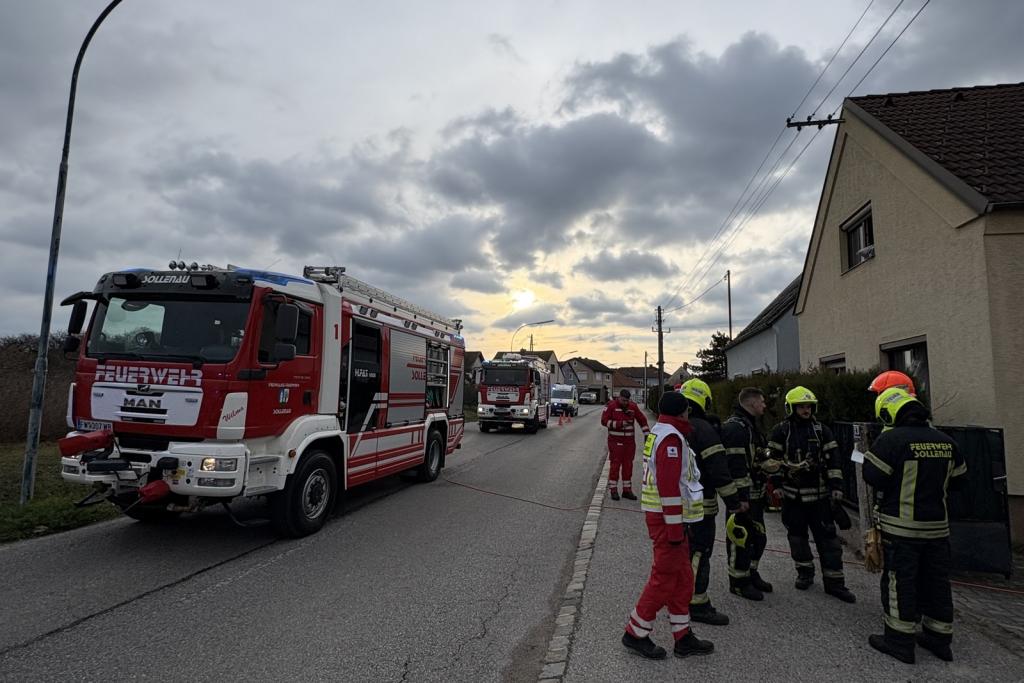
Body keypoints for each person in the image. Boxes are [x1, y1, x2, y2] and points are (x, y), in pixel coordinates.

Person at [863, 388, 967, 664]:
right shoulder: (946, 441)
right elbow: (960, 481)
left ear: (888, 413)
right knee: (937, 582)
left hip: (902, 529)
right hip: (937, 529)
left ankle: (899, 641)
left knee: (900, 582)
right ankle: (939, 639)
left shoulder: (892, 440)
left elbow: (872, 476)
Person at [622, 391, 714, 660]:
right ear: (682, 412)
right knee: (663, 579)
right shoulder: (671, 438)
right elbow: (669, 487)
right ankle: (635, 633)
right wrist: (675, 529)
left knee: (683, 578)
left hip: (669, 519)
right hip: (667, 521)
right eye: (687, 410)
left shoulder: (663, 431)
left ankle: (682, 636)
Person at [767, 386, 855, 603]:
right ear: (791, 408)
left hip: (820, 496)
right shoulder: (781, 431)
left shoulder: (822, 431)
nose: (806, 410)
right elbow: (772, 461)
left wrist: (836, 486)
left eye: (808, 406)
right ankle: (805, 573)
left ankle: (835, 582)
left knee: (828, 541)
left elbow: (834, 460)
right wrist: (777, 484)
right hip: (793, 497)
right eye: (801, 407)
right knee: (797, 538)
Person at [679, 379, 742, 625]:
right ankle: (696, 603)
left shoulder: (677, 427)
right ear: (704, 401)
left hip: (678, 505)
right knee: (699, 553)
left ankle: (679, 597)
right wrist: (734, 502)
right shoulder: (704, 431)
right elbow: (719, 471)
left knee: (684, 553)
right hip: (701, 507)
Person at [721, 387, 772, 600]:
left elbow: (753, 458)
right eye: (762, 401)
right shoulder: (736, 428)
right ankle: (739, 581)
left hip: (755, 493)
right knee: (740, 537)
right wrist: (740, 498)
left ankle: (751, 572)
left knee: (758, 537)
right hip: (743, 496)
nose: (765, 405)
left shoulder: (750, 426)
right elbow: (736, 466)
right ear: (751, 403)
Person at [601, 389, 650, 501]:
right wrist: (619, 424)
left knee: (628, 466)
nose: (625, 403)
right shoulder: (611, 406)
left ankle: (626, 490)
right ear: (619, 397)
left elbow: (642, 420)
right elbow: (604, 421)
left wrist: (647, 434)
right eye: (623, 400)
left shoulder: (632, 406)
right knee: (615, 465)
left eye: (627, 401)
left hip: (629, 442)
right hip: (615, 441)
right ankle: (613, 490)